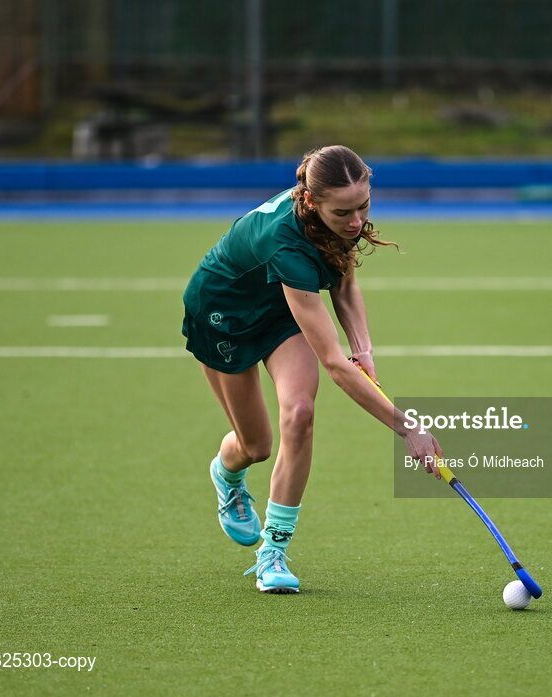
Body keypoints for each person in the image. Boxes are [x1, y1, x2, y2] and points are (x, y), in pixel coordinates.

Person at [182, 145, 442, 593]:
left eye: (363, 206)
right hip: (224, 315)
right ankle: (227, 472)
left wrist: (366, 350)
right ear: (311, 201)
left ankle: (273, 552)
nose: (357, 222)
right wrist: (408, 428)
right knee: (257, 445)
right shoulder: (285, 241)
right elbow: (334, 365)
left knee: (299, 414)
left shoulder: (339, 219)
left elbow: (344, 285)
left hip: (285, 308)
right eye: (343, 213)